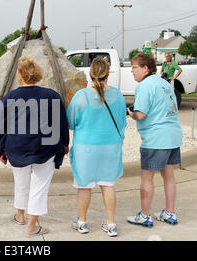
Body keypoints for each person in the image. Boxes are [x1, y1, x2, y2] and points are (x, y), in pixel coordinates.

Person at [0, 56, 70, 237]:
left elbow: (2, 127)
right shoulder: (52, 96)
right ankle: (32, 225)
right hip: (46, 148)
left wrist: (1, 148)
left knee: (21, 183)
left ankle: (21, 216)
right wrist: (65, 144)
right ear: (37, 74)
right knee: (39, 187)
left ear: (19, 76)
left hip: (17, 147)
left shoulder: (9, 98)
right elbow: (61, 124)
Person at [66, 57, 126, 237]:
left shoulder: (81, 96)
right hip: (110, 147)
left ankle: (83, 222)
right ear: (108, 74)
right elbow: (122, 122)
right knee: (108, 185)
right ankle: (111, 224)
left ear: (90, 74)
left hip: (86, 148)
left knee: (84, 187)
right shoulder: (118, 95)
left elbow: (71, 122)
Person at [127, 53, 182, 227]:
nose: (131, 71)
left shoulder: (144, 86)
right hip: (173, 136)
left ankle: (144, 215)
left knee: (147, 178)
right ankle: (170, 213)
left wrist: (131, 113)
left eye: (134, 67)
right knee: (169, 177)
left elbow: (141, 114)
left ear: (145, 68)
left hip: (155, 139)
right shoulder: (164, 83)